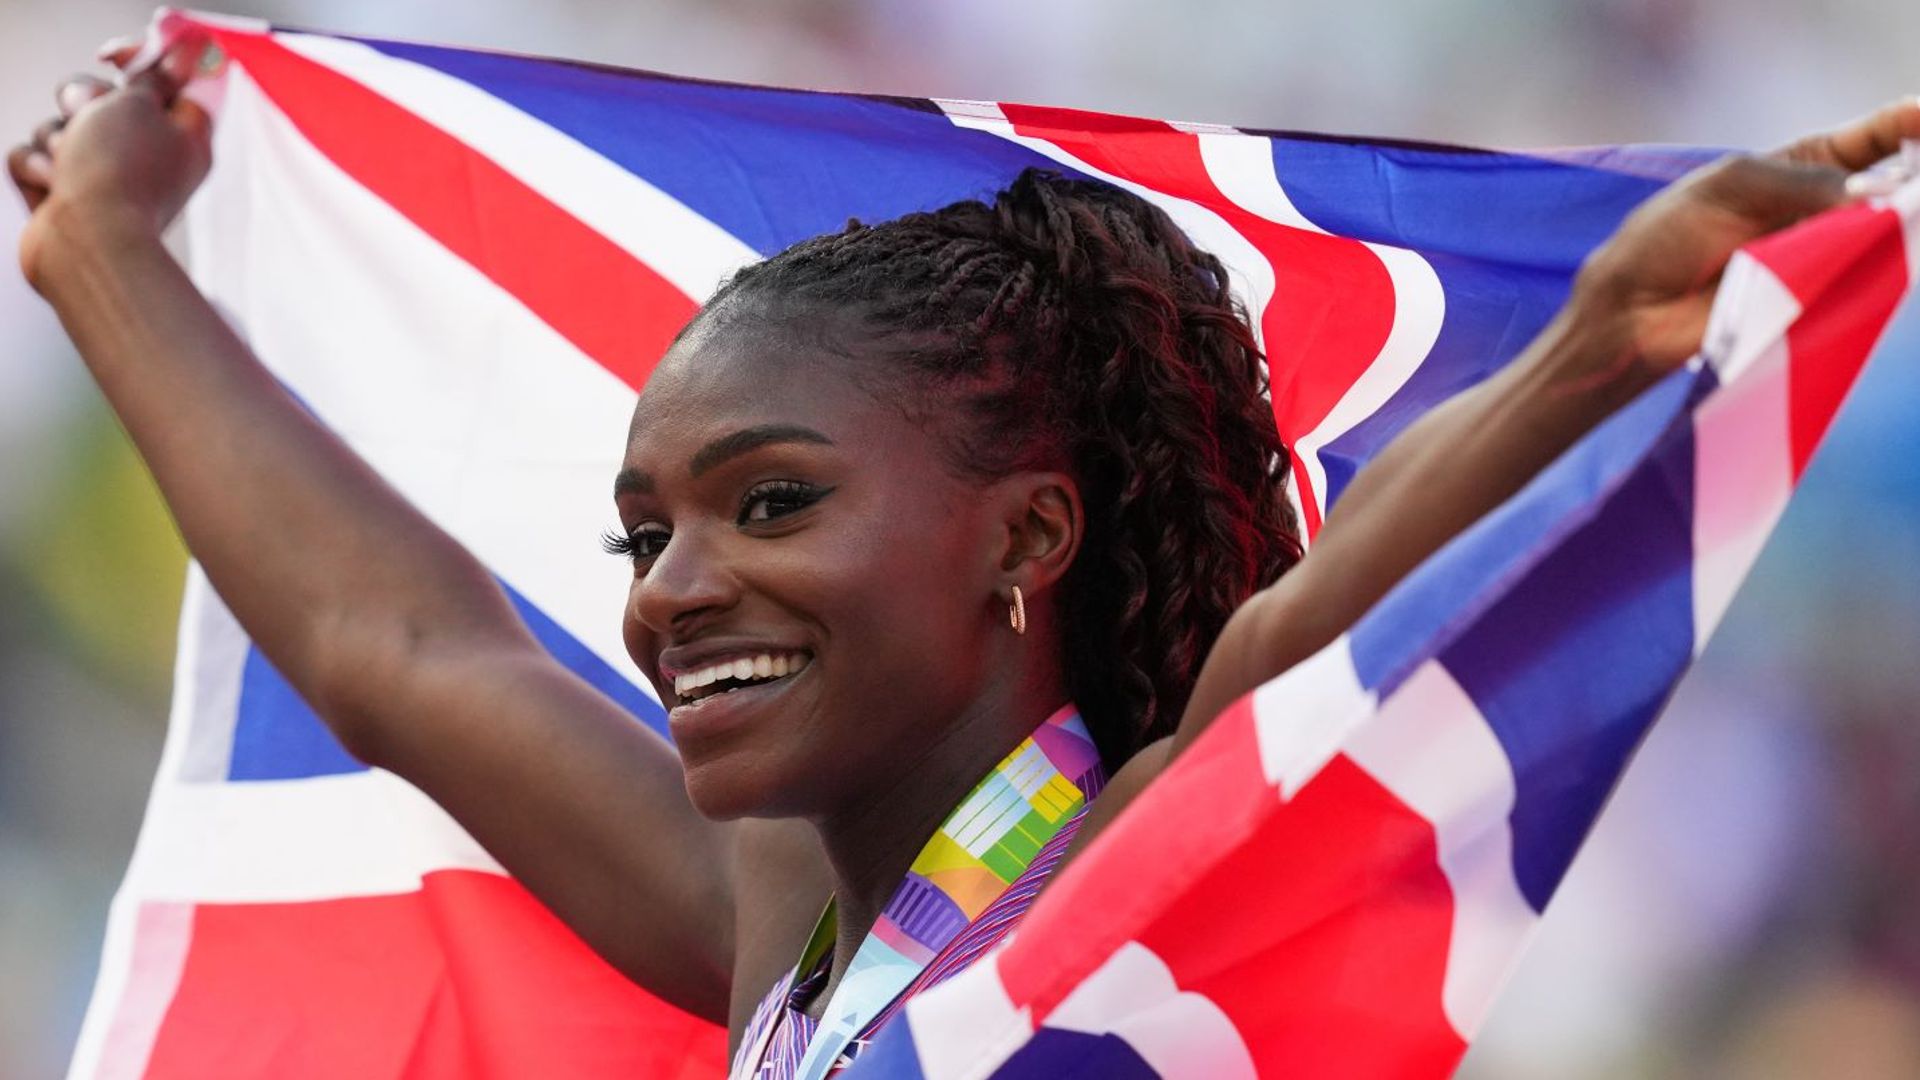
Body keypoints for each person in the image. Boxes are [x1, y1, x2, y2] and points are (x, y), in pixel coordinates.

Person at [10, 35, 1918, 1078]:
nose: (671, 591)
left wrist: (1590, 351)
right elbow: (401, 649)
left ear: (1028, 536)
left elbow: (1309, 631)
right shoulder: (781, 945)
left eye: (772, 504)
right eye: (646, 530)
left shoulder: (1118, 874)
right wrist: (97, 259)